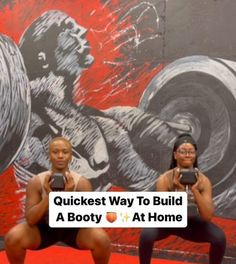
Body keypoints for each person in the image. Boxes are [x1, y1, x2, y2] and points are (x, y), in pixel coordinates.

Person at [13, 9, 178, 195]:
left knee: (128, 117)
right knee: (114, 131)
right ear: (43, 59)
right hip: (62, 214)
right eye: (68, 29)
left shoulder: (75, 115)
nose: (82, 30)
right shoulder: (32, 129)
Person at [4, 137, 113, 264]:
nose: (60, 156)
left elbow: (88, 218)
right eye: (56, 152)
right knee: (13, 237)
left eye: (65, 152)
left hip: (73, 230)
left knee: (102, 239)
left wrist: (68, 197)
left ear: (70, 156)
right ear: (49, 155)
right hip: (44, 229)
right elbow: (31, 219)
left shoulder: (81, 183)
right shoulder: (37, 182)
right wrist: (49, 197)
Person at [132, 133, 234, 264]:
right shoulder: (165, 179)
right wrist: (177, 192)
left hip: (192, 223)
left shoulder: (203, 181)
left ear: (195, 155)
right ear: (175, 155)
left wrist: (195, 192)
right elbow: (161, 212)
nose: (187, 154)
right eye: (183, 151)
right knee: (146, 234)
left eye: (191, 151)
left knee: (219, 236)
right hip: (168, 221)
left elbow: (207, 216)